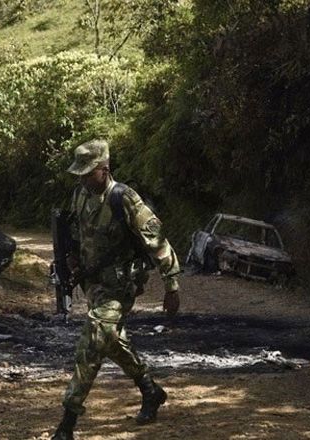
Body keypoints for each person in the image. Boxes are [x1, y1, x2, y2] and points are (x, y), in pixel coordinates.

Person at [51, 139, 181, 440]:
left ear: (104, 170)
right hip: (93, 284)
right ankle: (151, 391)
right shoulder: (80, 195)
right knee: (112, 342)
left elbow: (157, 239)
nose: (82, 178)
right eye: (80, 173)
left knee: (93, 340)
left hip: (120, 286)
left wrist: (171, 285)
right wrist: (70, 258)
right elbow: (73, 232)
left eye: (87, 172)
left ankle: (67, 423)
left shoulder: (124, 198)